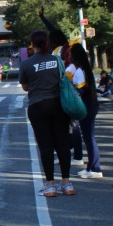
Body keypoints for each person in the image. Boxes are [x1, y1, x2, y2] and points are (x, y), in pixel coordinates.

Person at [20, 30, 73, 197]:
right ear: (47, 43)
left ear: (32, 44)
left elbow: (25, 87)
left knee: (45, 146)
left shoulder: (26, 64)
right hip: (58, 105)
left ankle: (50, 185)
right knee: (63, 144)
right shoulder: (57, 60)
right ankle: (67, 184)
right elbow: (64, 79)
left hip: (37, 106)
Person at [70, 44, 103, 179]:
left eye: (71, 54)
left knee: (89, 138)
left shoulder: (79, 71)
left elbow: (81, 91)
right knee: (88, 137)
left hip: (86, 107)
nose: (69, 57)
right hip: (90, 105)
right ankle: (90, 166)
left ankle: (96, 168)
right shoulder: (85, 69)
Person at [61, 45, 85, 167]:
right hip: (76, 101)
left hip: (74, 102)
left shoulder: (71, 69)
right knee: (72, 129)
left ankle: (78, 156)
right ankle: (72, 150)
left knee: (75, 129)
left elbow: (70, 85)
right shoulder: (77, 68)